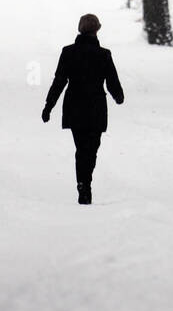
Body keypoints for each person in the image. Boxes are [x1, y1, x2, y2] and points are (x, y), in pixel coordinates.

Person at [41, 14, 124, 204]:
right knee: (91, 149)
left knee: (81, 149)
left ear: (80, 29)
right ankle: (86, 183)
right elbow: (112, 81)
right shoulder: (104, 54)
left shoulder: (68, 52)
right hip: (96, 108)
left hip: (74, 107)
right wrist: (118, 96)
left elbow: (59, 81)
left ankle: (82, 184)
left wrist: (48, 106)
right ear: (97, 30)